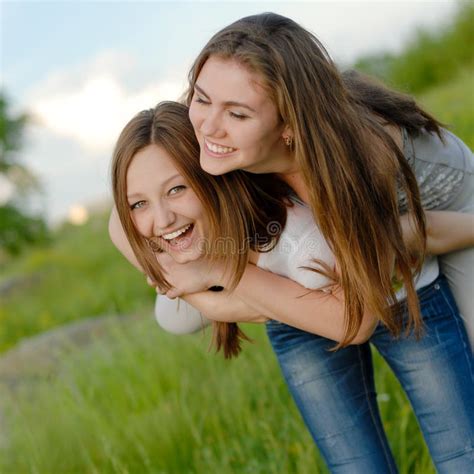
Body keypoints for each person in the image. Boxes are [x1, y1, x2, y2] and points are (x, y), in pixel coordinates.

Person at [109, 100, 474, 473]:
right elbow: (116, 224)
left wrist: (222, 280)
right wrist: (207, 286)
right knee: (354, 465)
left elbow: (351, 322)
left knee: (462, 454)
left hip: (394, 292)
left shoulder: (301, 243)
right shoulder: (182, 242)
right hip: (297, 303)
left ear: (210, 174)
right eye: (139, 203)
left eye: (177, 189)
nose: (162, 218)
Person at [185, 12, 474, 350]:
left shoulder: (352, 161)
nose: (208, 126)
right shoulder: (208, 122)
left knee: (385, 242)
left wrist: (226, 290)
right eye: (201, 98)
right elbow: (124, 219)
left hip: (447, 206)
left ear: (289, 125)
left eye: (237, 114)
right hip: (376, 220)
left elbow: (354, 319)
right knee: (178, 309)